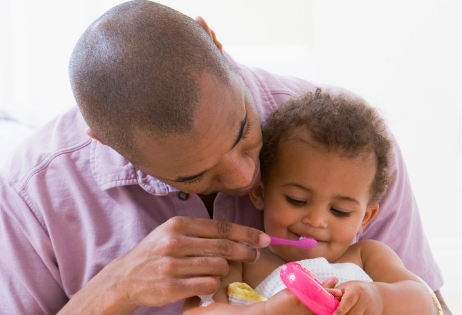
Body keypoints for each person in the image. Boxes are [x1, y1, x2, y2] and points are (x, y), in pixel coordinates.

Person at [0, 1, 449, 314]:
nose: (246, 177)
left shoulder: (346, 149)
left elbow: (426, 302)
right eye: (195, 174)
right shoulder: (33, 191)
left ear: (213, 39)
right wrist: (118, 288)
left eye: (243, 132)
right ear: (107, 142)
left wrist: (379, 300)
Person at [183, 89, 442, 315]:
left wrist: (378, 299)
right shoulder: (242, 259)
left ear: (364, 218)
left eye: (339, 211)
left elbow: (423, 301)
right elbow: (198, 311)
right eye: (297, 200)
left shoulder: (367, 256)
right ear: (260, 193)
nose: (316, 221)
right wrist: (266, 311)